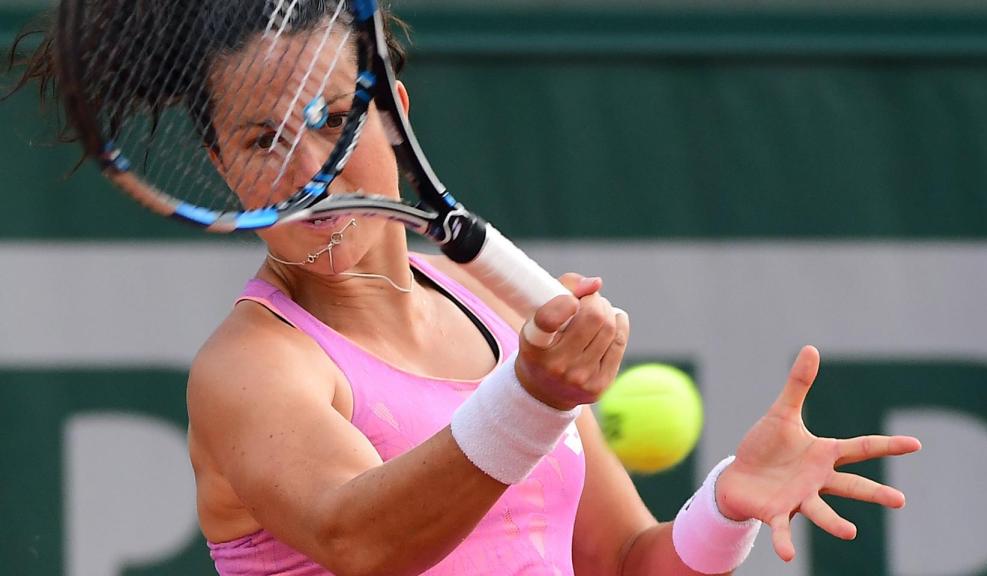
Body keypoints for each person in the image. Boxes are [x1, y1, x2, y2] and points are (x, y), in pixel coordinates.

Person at [11, 3, 920, 575]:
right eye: (262, 142)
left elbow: (625, 563)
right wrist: (530, 398)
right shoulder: (253, 370)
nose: (310, 171)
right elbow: (359, 542)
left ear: (396, 114)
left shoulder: (489, 310)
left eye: (334, 120)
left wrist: (725, 506)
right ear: (218, 167)